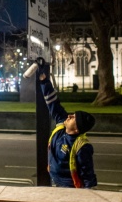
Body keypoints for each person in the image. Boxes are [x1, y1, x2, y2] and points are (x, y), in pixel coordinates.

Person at [25, 59, 97, 188]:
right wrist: (43, 80)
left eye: (74, 117)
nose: (69, 116)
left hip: (70, 187)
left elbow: (87, 174)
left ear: (76, 130)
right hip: (56, 181)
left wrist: (88, 194)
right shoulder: (62, 124)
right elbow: (53, 102)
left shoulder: (82, 147)